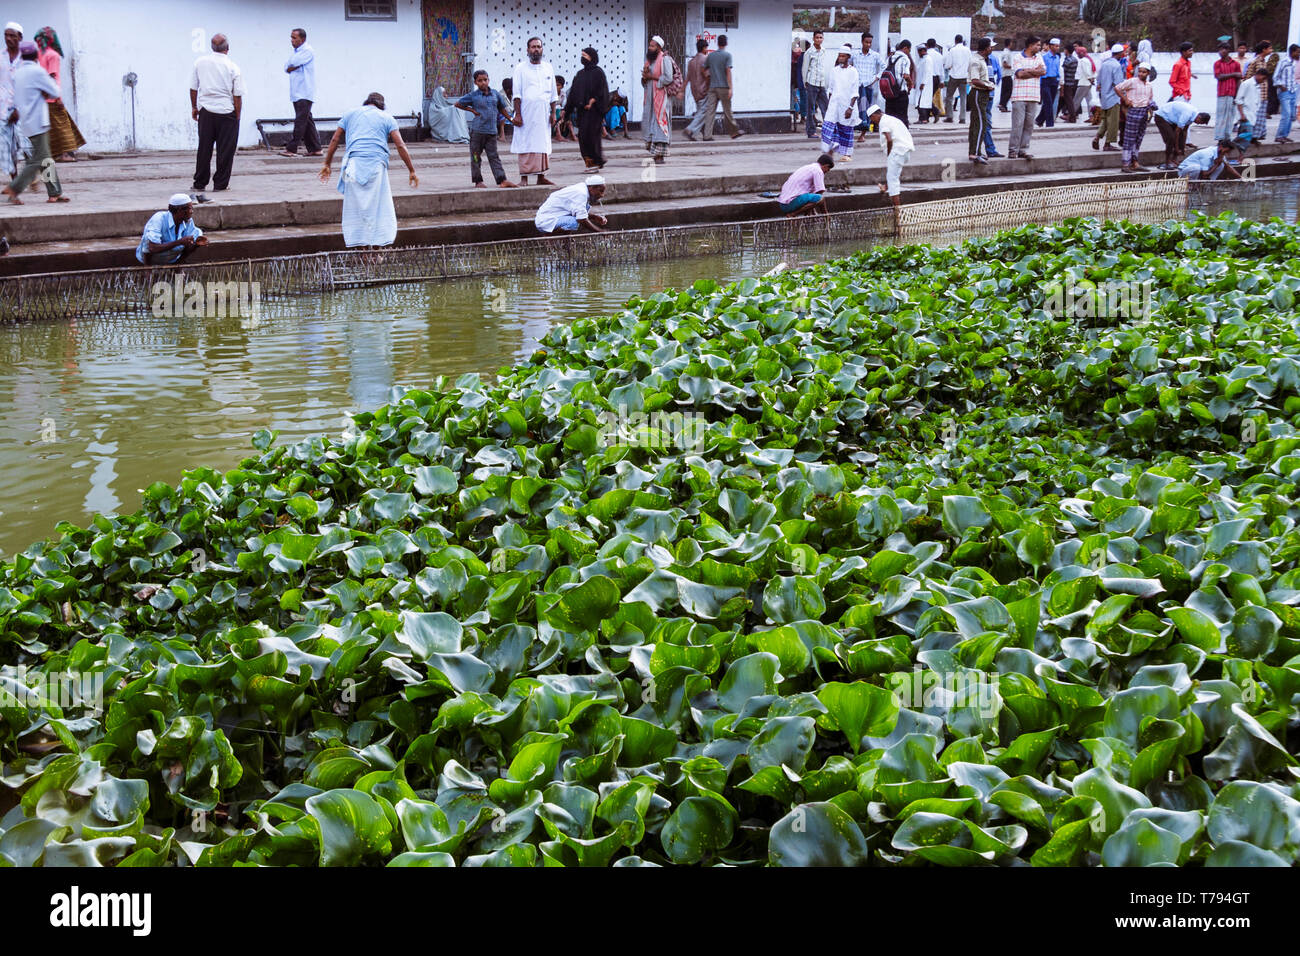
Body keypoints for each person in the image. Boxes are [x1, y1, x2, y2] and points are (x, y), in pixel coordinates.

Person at [318, 92, 419, 248]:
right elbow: (400, 145)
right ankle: (376, 250)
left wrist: (327, 164)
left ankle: (361, 249)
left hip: (352, 167)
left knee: (354, 207)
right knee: (378, 208)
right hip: (376, 168)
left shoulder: (350, 114)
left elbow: (334, 139)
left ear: (366, 102)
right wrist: (411, 170)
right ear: (382, 105)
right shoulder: (387, 117)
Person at [1, 40, 66, 204]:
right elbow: (54, 91)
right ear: (36, 54)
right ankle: (15, 188)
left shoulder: (18, 73)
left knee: (46, 159)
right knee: (39, 159)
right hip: (38, 120)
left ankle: (54, 192)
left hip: (26, 121)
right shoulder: (37, 71)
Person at [190, 34, 244, 193]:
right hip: (227, 112)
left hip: (206, 111)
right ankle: (220, 184)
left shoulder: (200, 63)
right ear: (227, 48)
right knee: (225, 150)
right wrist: (237, 115)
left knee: (204, 148)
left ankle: (199, 183)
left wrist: (194, 107)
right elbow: (237, 95)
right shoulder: (233, 67)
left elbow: (193, 88)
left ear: (212, 48)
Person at [456, 70, 517, 187]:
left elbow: (502, 109)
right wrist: (472, 110)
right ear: (475, 82)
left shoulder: (495, 94)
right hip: (477, 132)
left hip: (491, 132)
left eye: (485, 80)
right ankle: (478, 181)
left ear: (489, 80)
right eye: (480, 81)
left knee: (494, 157)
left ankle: (502, 180)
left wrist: (511, 120)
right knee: (475, 157)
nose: (483, 83)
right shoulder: (473, 96)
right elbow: (458, 104)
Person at [511, 37, 556, 186]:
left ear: (542, 49)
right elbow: (516, 94)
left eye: (538, 47)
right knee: (525, 143)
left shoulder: (548, 68)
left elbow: (553, 94)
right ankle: (524, 178)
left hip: (543, 113)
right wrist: (518, 114)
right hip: (526, 112)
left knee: (542, 144)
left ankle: (541, 177)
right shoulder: (520, 68)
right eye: (533, 47)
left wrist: (553, 112)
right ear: (527, 50)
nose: (536, 49)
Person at [33, 28, 83, 162]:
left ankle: (55, 153)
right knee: (63, 125)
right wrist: (58, 97)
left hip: (42, 96)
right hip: (52, 96)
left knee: (51, 126)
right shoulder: (53, 55)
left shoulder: (38, 54)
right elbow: (52, 76)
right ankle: (65, 154)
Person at [686, 33, 740, 141]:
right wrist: (730, 87)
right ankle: (734, 132)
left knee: (710, 112)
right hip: (723, 87)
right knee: (727, 111)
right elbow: (728, 71)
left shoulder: (711, 56)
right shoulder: (727, 56)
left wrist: (708, 77)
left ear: (717, 43)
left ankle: (707, 135)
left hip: (712, 88)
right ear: (726, 43)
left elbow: (703, 69)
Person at [566, 47, 609, 168]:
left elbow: (602, 91)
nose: (582, 58)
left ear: (592, 57)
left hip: (594, 112)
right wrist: (567, 109)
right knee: (583, 136)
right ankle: (590, 161)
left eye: (585, 56)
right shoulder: (580, 74)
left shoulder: (598, 72)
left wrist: (593, 100)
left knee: (592, 136)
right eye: (582, 55)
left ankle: (596, 160)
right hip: (582, 112)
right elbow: (573, 92)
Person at [865, 104, 913, 211]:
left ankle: (897, 210)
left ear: (875, 115)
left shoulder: (883, 122)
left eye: (872, 118)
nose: (873, 121)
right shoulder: (890, 119)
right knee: (893, 174)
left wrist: (889, 153)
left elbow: (889, 139)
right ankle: (885, 187)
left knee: (893, 180)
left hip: (897, 150)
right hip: (905, 149)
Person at [136, 194, 208, 264]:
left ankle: (178, 265)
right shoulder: (159, 219)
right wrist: (179, 242)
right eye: (189, 208)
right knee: (147, 239)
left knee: (195, 236)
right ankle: (148, 270)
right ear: (179, 210)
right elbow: (152, 248)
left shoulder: (188, 220)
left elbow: (191, 241)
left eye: (192, 208)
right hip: (152, 259)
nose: (192, 211)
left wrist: (197, 243)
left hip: (172, 258)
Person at [281, 28, 320, 157]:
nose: (291, 40)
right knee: (307, 121)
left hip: (304, 92)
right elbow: (287, 66)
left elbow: (293, 63)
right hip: (297, 92)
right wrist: (291, 67)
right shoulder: (297, 52)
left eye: (294, 38)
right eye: (291, 37)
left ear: (302, 39)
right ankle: (316, 148)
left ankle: (292, 149)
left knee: (300, 121)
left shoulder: (307, 51)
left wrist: (292, 66)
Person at [642, 36, 677, 163]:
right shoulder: (649, 61)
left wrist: (653, 78)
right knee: (650, 123)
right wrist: (645, 78)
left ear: (659, 47)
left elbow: (668, 78)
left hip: (661, 97)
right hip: (650, 97)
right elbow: (645, 80)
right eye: (649, 45)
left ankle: (660, 155)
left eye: (652, 46)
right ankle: (654, 153)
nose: (650, 48)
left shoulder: (665, 59)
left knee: (660, 124)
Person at [1, 22, 29, 182]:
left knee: (33, 150)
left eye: (12, 35)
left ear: (20, 37)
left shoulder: (27, 59)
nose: (8, 38)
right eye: (6, 35)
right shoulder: (1, 57)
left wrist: (20, 109)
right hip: (4, 111)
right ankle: (16, 183)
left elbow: (31, 87)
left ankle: (49, 186)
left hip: (25, 112)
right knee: (8, 150)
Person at [1008, 36, 1044, 160]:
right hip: (1019, 95)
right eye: (1038, 45)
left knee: (1029, 125)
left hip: (1034, 96)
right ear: (1030, 45)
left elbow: (1043, 71)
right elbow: (1020, 74)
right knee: (1017, 125)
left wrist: (1028, 70)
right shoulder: (1017, 57)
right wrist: (1035, 71)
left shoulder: (1039, 57)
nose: (1039, 47)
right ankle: (1013, 150)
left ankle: (1023, 149)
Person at [821, 44, 859, 161]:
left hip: (847, 105)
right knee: (828, 127)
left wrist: (850, 108)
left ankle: (847, 154)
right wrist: (830, 104)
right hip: (834, 105)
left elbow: (854, 91)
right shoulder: (834, 71)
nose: (840, 58)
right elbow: (831, 89)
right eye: (839, 56)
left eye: (843, 56)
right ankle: (829, 153)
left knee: (845, 130)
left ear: (848, 57)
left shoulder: (853, 71)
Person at [1115, 61, 1154, 172]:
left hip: (1144, 111)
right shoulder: (1132, 81)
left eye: (1144, 72)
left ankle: (1135, 162)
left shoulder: (1149, 85)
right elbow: (1117, 88)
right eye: (1140, 71)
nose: (1141, 74)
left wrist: (1150, 111)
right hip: (1134, 111)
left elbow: (1150, 99)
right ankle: (1125, 164)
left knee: (1138, 138)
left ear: (1148, 73)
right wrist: (1126, 99)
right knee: (1129, 138)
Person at [534, 174, 607, 233]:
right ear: (592, 188)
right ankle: (551, 238)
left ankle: (564, 241)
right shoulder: (581, 193)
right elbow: (581, 219)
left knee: (574, 219)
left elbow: (577, 212)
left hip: (553, 218)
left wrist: (594, 217)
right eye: (601, 191)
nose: (602, 195)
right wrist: (600, 231)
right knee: (573, 222)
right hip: (546, 221)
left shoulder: (583, 189)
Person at [1153, 101, 1210, 168]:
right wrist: (1177, 148)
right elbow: (1177, 132)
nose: (1198, 124)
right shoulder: (1187, 114)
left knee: (1181, 137)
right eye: (1200, 123)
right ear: (1199, 117)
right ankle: (1167, 162)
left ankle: (1174, 159)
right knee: (1170, 138)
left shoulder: (1193, 115)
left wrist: (1182, 146)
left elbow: (1184, 131)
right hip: (1162, 116)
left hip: (1172, 119)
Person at [1093, 44, 1124, 152]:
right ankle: (1108, 143)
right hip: (1113, 97)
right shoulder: (1117, 66)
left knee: (1105, 120)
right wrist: (1124, 97)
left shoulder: (1104, 64)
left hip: (1104, 96)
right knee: (1113, 121)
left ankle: (1097, 137)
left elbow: (1099, 81)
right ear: (1120, 53)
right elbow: (1118, 84)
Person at [968, 38, 994, 164]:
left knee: (976, 123)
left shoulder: (981, 60)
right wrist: (987, 86)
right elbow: (975, 80)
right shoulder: (976, 61)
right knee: (981, 124)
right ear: (986, 48)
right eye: (990, 47)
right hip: (979, 93)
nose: (992, 49)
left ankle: (975, 151)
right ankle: (974, 153)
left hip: (981, 93)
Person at [1213, 42, 1243, 141]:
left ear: (1228, 50)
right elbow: (1219, 76)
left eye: (1223, 49)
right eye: (1220, 49)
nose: (1221, 51)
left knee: (1230, 117)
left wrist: (1238, 94)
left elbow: (1239, 80)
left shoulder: (1236, 64)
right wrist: (1234, 74)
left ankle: (1227, 137)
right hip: (1222, 93)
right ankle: (1220, 137)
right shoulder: (1217, 63)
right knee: (1221, 116)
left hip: (1232, 93)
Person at [802, 31, 829, 138]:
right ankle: (811, 131)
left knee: (825, 107)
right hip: (811, 82)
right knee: (810, 108)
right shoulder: (809, 52)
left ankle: (827, 130)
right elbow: (805, 68)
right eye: (817, 37)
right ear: (813, 39)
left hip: (821, 83)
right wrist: (805, 82)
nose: (819, 39)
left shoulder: (824, 51)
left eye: (820, 37)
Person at [853, 32, 883, 124]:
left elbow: (884, 66)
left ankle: (866, 124)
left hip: (869, 84)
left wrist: (877, 77)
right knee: (859, 105)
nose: (868, 44)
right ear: (862, 42)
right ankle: (861, 123)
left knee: (868, 105)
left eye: (870, 43)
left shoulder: (875, 55)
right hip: (858, 84)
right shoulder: (855, 54)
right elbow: (849, 64)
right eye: (866, 42)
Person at [1178, 139, 1244, 180]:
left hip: (1200, 171)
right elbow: (1204, 174)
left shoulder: (1221, 154)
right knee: (1197, 168)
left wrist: (1241, 177)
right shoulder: (1208, 154)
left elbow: (1228, 167)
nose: (1227, 153)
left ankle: (1211, 181)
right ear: (1221, 147)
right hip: (1184, 171)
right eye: (1226, 151)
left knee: (1222, 165)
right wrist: (1216, 166)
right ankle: (1191, 183)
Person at [884, 40, 913, 127]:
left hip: (889, 93)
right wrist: (910, 84)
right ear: (905, 48)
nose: (909, 53)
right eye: (909, 50)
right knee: (902, 118)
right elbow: (906, 76)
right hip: (900, 93)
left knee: (890, 118)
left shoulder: (889, 58)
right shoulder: (904, 59)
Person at [1235, 66, 1267, 144]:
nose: (1263, 81)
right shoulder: (1247, 84)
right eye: (1263, 78)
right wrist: (1242, 115)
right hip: (1245, 113)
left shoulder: (1258, 86)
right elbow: (1239, 99)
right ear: (1259, 75)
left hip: (1253, 113)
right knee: (1244, 135)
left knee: (1247, 136)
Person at [942, 34, 970, 123]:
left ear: (955, 41)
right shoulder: (967, 50)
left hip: (954, 76)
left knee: (949, 97)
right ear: (962, 41)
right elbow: (970, 63)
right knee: (963, 97)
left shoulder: (953, 50)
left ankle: (950, 116)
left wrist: (951, 67)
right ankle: (962, 118)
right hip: (964, 76)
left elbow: (948, 65)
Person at [1274, 45, 1298, 143]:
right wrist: (1281, 85)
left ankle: (1285, 135)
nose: (1299, 54)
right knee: (1286, 114)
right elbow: (1275, 77)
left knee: (1292, 115)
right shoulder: (1283, 62)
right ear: (1292, 52)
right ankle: (1279, 135)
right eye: (1298, 52)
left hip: (1293, 90)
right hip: (1284, 92)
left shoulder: (1294, 63)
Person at [686, 38, 710, 135]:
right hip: (703, 89)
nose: (707, 50)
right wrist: (709, 87)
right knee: (703, 112)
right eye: (706, 48)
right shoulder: (705, 59)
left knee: (700, 111)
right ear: (704, 48)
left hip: (694, 90)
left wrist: (683, 89)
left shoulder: (691, 61)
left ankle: (696, 133)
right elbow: (707, 75)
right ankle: (691, 129)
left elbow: (688, 77)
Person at [1036, 38, 1061, 127]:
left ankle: (1039, 120)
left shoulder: (1058, 57)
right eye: (1055, 46)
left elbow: (1057, 69)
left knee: (1050, 102)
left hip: (1054, 81)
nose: (1057, 48)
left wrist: (1059, 80)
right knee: (1048, 102)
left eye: (1058, 46)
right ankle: (1050, 123)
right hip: (1045, 80)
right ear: (1050, 46)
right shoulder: (1044, 57)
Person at [983, 45, 1002, 156]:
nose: (991, 49)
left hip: (989, 93)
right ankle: (989, 149)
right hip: (985, 93)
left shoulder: (991, 59)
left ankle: (989, 148)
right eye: (989, 47)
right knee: (985, 122)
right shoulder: (981, 60)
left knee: (986, 122)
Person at [912, 43, 936, 123]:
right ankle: (927, 117)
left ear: (922, 51)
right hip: (920, 83)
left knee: (921, 102)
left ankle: (923, 119)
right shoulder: (922, 59)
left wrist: (923, 83)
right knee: (922, 101)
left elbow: (927, 72)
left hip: (925, 84)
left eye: (919, 52)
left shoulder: (927, 59)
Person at [1074, 42, 1096, 119]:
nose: (1077, 55)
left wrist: (1090, 79)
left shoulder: (1083, 60)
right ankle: (1092, 116)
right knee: (1089, 100)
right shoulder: (1088, 59)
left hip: (1083, 83)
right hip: (1087, 83)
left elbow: (1087, 72)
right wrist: (1091, 80)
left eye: (1078, 53)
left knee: (1076, 100)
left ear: (1082, 53)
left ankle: (1071, 115)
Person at [1059, 42, 1078, 122]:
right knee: (1063, 100)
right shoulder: (1075, 59)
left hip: (1066, 82)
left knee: (1068, 100)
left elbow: (1063, 70)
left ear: (1066, 50)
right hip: (1072, 82)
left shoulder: (1068, 60)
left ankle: (1073, 117)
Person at [998, 41, 1014, 112]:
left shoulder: (1005, 52)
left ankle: (1003, 105)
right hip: (1007, 74)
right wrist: (1013, 67)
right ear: (1010, 44)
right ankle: (1002, 104)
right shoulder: (1007, 53)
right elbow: (1005, 63)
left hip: (1004, 74)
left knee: (1004, 91)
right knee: (1009, 91)